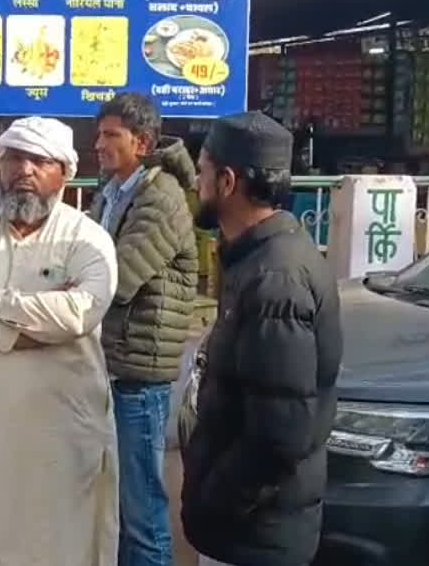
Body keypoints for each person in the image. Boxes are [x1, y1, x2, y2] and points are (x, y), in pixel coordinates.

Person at [0, 116, 120, 566]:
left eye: (40, 160)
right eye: (15, 158)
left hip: (61, 431)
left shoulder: (86, 238)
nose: (25, 170)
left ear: (65, 173)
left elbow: (79, 313)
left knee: (61, 544)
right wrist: (11, 338)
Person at [181, 112, 342, 566]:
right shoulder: (254, 258)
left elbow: (279, 435)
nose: (198, 182)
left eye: (203, 171)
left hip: (255, 534)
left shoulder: (277, 279)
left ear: (227, 181)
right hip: (248, 529)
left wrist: (217, 500)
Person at [88, 94, 198, 566]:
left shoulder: (161, 197)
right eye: (99, 134)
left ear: (143, 142)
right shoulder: (113, 191)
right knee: (113, 505)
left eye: (111, 135)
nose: (99, 144)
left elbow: (119, 277)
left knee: (142, 512)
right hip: (114, 365)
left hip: (140, 374)